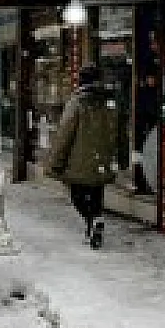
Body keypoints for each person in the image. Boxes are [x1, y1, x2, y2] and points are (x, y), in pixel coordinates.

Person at [46, 65, 119, 249]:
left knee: (77, 196)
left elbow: (65, 133)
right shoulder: (108, 102)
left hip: (78, 160)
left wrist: (56, 162)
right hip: (102, 159)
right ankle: (94, 224)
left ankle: (92, 220)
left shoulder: (77, 102)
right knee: (96, 194)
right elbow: (119, 131)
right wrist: (119, 158)